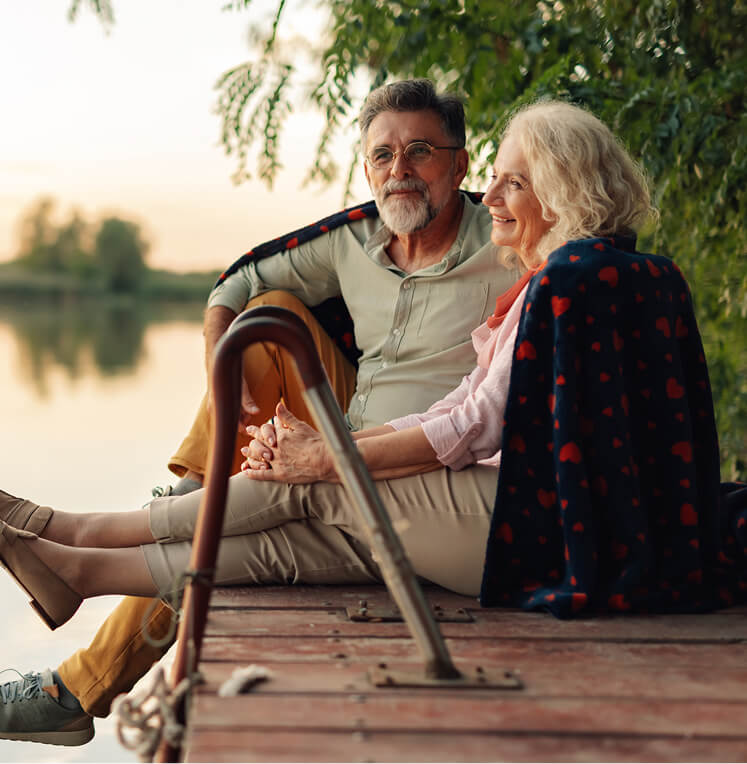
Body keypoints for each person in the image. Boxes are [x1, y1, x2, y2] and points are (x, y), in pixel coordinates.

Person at [4, 100, 743, 748]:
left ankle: (80, 532)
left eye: (512, 182)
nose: (495, 198)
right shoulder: (546, 273)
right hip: (482, 501)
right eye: (384, 155)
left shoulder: (567, 279)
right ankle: (83, 564)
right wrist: (335, 445)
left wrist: (326, 460)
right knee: (294, 535)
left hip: (527, 529)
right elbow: (458, 407)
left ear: (561, 188)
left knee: (317, 493)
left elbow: (478, 427)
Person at [0, 78, 519, 746]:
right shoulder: (351, 239)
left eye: (419, 151)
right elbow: (235, 283)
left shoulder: (507, 239)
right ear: (365, 168)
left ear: (459, 162)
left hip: (433, 467)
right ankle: (197, 488)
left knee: (231, 521)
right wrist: (226, 395)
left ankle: (81, 667)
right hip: (352, 431)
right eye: (382, 156)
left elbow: (484, 410)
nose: (399, 171)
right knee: (267, 316)